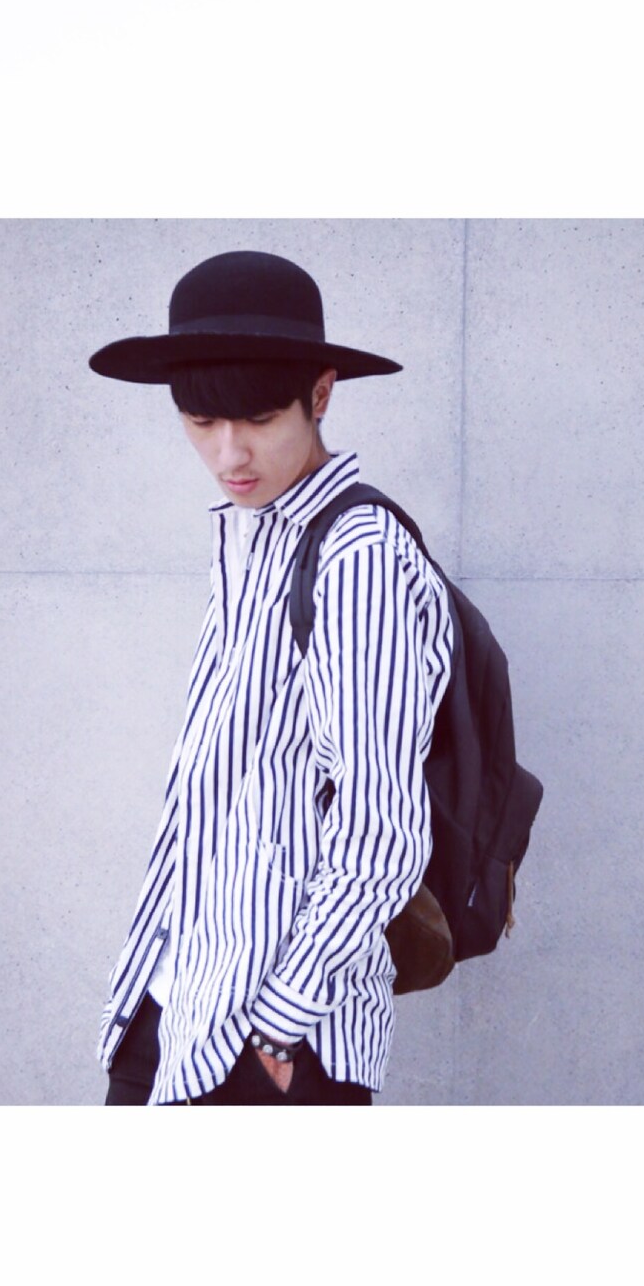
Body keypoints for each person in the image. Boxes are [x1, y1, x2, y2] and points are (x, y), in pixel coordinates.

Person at [89, 249, 453, 1105]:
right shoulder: (252, 537)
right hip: (175, 995)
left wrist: (281, 1019)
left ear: (320, 395)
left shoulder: (358, 557)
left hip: (273, 1030)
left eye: (257, 418)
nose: (229, 453)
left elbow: (380, 826)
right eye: (200, 422)